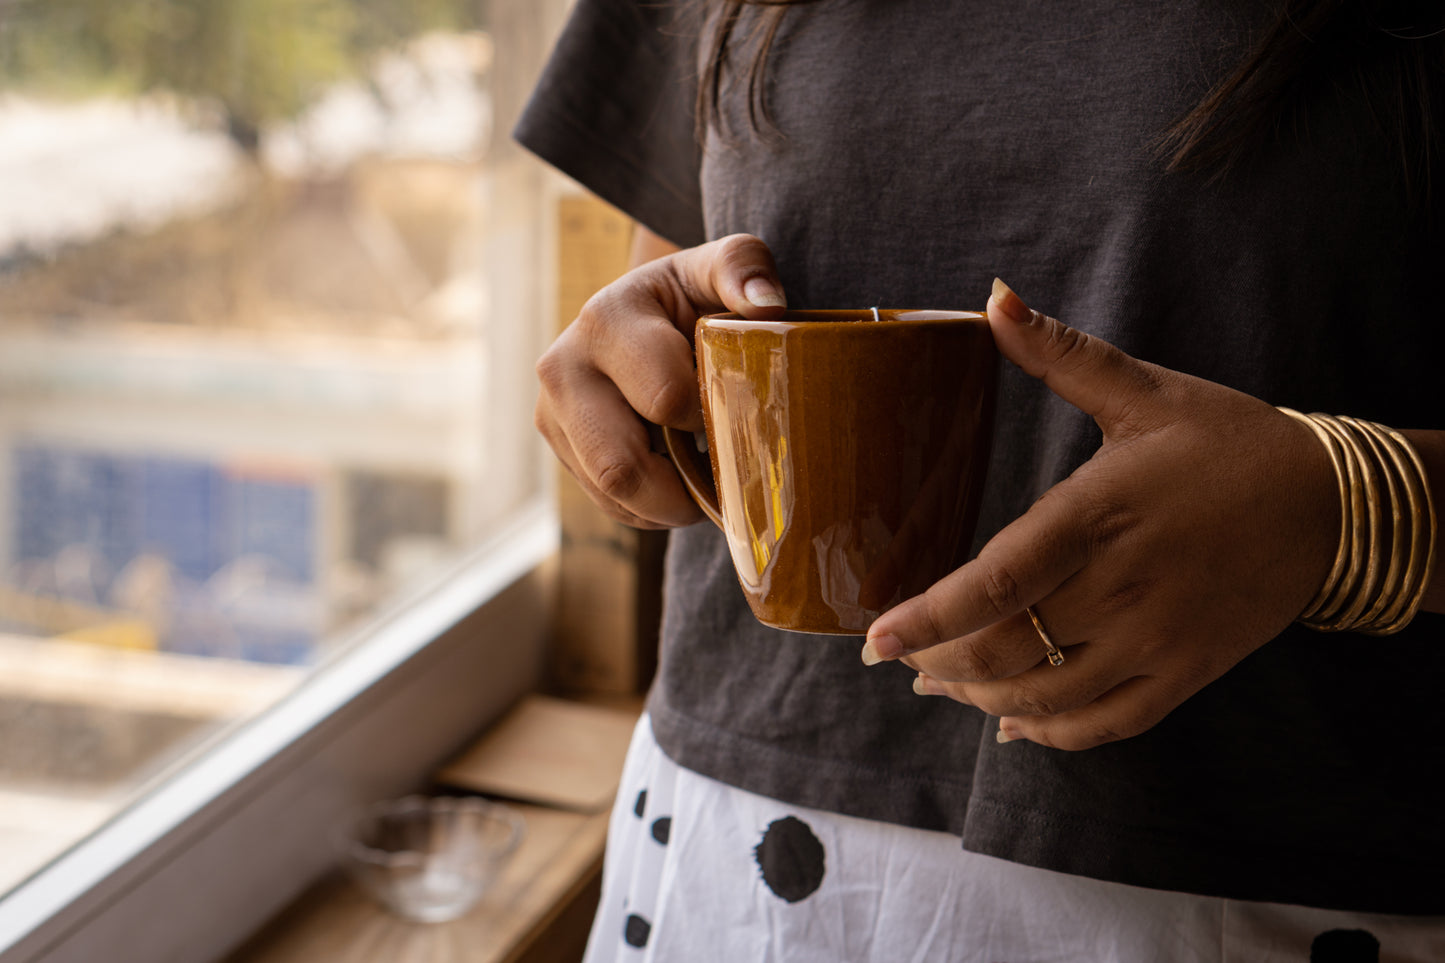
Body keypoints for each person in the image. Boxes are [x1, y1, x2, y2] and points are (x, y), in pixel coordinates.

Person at [522, 0, 1445, 959]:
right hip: (740, 858)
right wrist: (627, 372)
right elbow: (673, 279)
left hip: (1266, 894)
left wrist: (1343, 508)